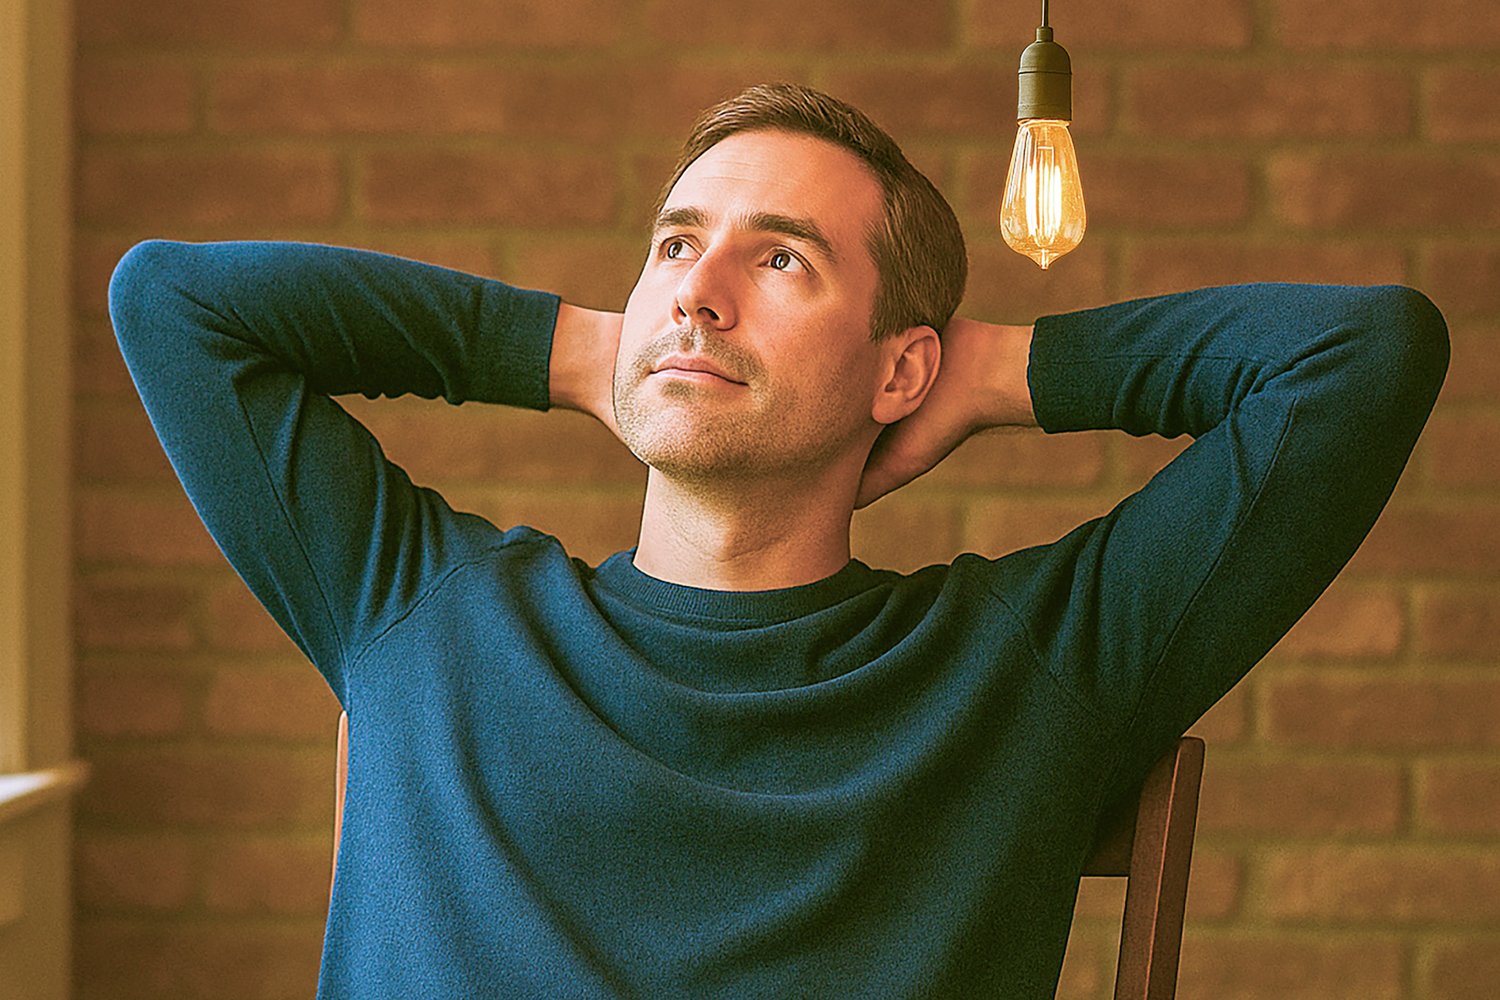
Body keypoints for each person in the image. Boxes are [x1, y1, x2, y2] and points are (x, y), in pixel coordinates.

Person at [107, 82, 1449, 999]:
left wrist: (989, 372)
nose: (698, 289)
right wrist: (598, 350)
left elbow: (1360, 358)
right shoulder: (422, 610)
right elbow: (173, 302)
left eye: (781, 259)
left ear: (897, 369)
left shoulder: (1028, 666)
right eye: (675, 246)